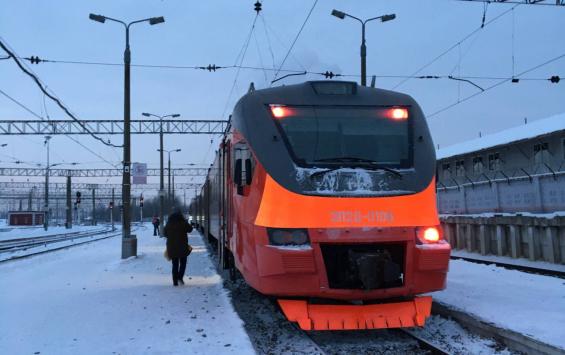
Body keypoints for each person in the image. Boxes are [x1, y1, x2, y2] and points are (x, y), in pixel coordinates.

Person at [164, 211, 193, 286]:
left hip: (172, 247)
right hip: (183, 247)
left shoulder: (168, 224)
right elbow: (190, 229)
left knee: (175, 264)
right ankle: (180, 277)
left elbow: (164, 233)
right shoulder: (183, 223)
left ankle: (175, 282)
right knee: (183, 263)